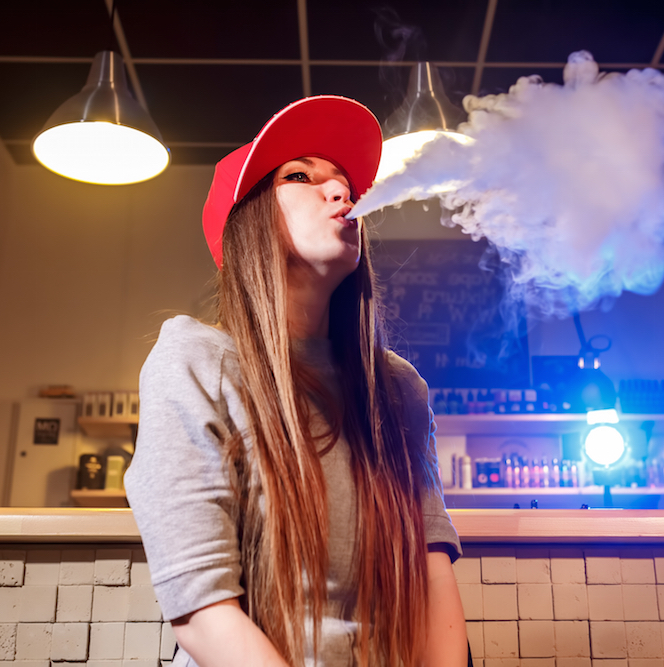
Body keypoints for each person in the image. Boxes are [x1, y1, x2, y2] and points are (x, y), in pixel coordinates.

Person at [124, 95, 467, 667]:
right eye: (302, 175)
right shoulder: (195, 360)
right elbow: (202, 612)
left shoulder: (399, 390)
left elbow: (433, 581)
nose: (342, 193)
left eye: (346, 183)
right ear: (250, 219)